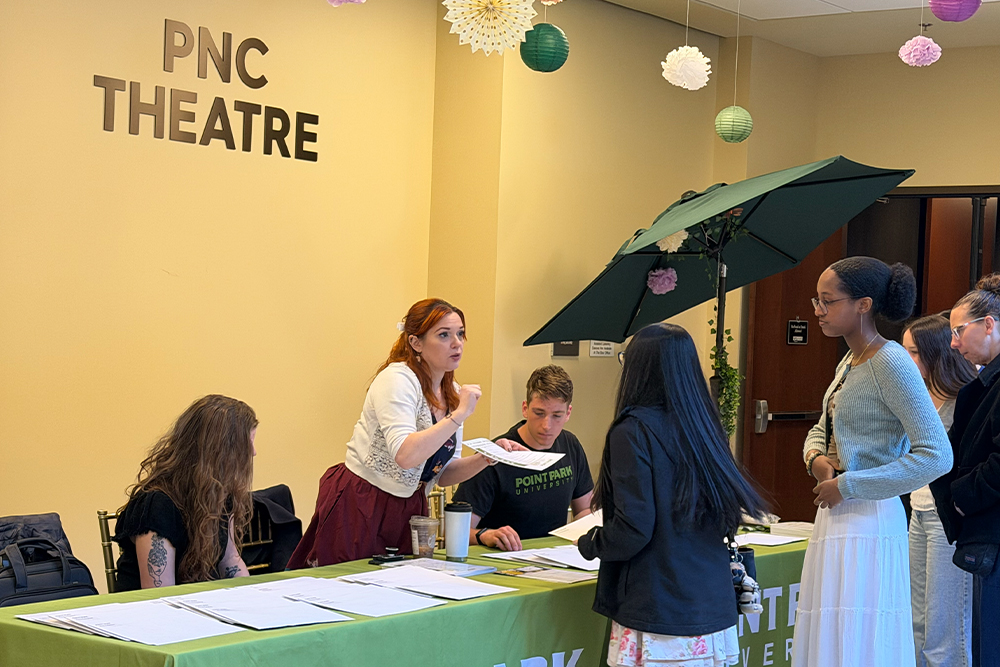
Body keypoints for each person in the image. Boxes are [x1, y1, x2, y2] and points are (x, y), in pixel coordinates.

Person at [578, 323, 768, 667]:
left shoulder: (632, 431)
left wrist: (592, 543)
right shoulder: (705, 425)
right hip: (711, 606)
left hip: (659, 608)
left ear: (638, 370)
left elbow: (634, 528)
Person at [794, 257, 952, 667]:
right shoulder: (849, 361)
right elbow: (823, 427)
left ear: (863, 304)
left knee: (860, 635)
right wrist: (815, 459)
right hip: (836, 513)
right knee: (832, 631)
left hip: (870, 518)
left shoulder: (891, 361)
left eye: (828, 301)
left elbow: (936, 455)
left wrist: (848, 484)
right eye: (817, 300)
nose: (818, 311)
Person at [288, 298, 523, 567]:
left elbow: (444, 474)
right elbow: (405, 454)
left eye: (460, 334)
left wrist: (487, 457)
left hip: (411, 507)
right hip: (365, 499)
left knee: (404, 582)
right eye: (444, 335)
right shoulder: (397, 379)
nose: (457, 343)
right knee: (352, 580)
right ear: (416, 342)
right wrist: (458, 415)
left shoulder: (454, 393)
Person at [113, 395, 258, 591]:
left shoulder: (220, 494)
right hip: (154, 607)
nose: (253, 452)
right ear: (220, 451)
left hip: (197, 601)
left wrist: (254, 597)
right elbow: (159, 592)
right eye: (248, 443)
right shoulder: (157, 504)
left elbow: (230, 560)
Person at [931, 274, 1000, 667]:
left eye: (958, 331)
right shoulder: (984, 382)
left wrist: (960, 497)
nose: (954, 343)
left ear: (988, 324)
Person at [453, 365, 593, 551]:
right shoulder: (495, 456)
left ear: (568, 413)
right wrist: (487, 535)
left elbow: (584, 510)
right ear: (525, 409)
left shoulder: (571, 445)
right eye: (539, 413)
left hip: (555, 555)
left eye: (557, 416)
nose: (547, 425)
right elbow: (455, 531)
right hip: (505, 556)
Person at [903, 315, 977, 667]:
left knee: (945, 625)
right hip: (917, 512)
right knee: (916, 620)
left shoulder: (963, 400)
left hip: (946, 517)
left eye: (914, 352)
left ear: (936, 354)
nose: (906, 360)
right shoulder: (916, 399)